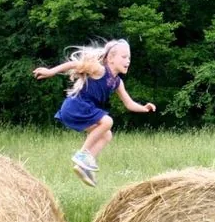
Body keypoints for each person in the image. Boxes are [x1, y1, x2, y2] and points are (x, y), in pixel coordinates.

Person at [33, 39, 155, 186]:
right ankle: (83, 154)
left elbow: (129, 104)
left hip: (84, 109)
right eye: (123, 57)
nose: (127, 61)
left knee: (107, 134)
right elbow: (74, 64)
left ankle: (83, 167)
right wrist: (51, 71)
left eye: (129, 58)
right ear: (110, 58)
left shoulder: (117, 82)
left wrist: (144, 108)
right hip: (75, 106)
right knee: (108, 121)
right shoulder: (99, 69)